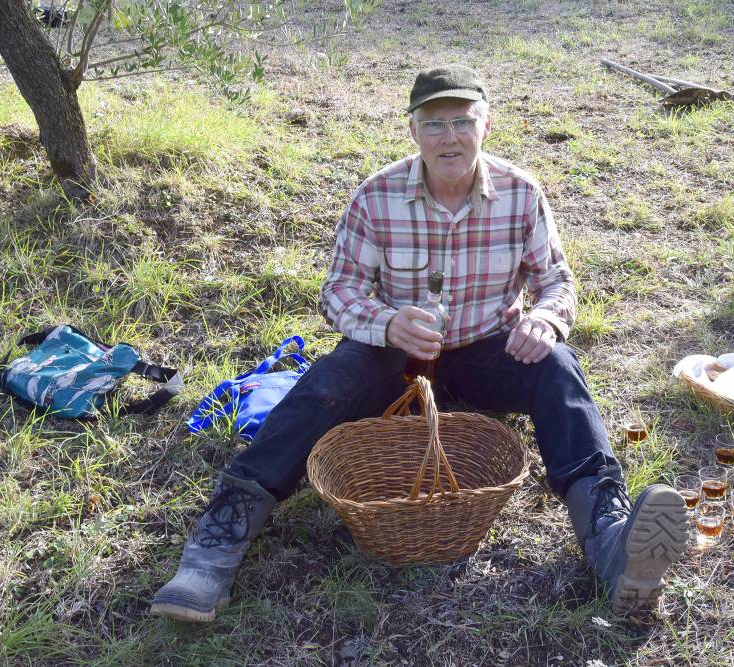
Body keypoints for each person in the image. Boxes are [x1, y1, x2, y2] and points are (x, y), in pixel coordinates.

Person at [151, 65, 689, 623]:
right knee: (329, 384)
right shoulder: (376, 196)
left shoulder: (521, 194)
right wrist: (386, 323)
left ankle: (608, 536)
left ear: (486, 125)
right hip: (398, 355)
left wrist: (546, 321)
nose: (449, 138)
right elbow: (338, 292)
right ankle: (219, 539)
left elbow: (555, 280)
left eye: (462, 122)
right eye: (434, 125)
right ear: (412, 132)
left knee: (556, 366)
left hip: (486, 351)